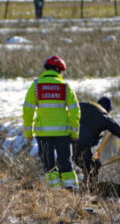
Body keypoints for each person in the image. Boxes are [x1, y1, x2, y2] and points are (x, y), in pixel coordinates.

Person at [23, 55, 81, 190]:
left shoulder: (36, 86)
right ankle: (71, 189)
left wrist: (28, 131)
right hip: (63, 132)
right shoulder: (65, 87)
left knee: (48, 163)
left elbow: (28, 110)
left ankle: (55, 192)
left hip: (43, 133)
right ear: (58, 70)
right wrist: (74, 132)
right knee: (66, 162)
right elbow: (75, 111)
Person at [73, 97, 120, 186]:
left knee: (67, 167)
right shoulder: (105, 118)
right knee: (93, 167)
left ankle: (71, 190)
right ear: (109, 109)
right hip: (81, 146)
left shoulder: (81, 105)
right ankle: (88, 191)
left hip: (64, 141)